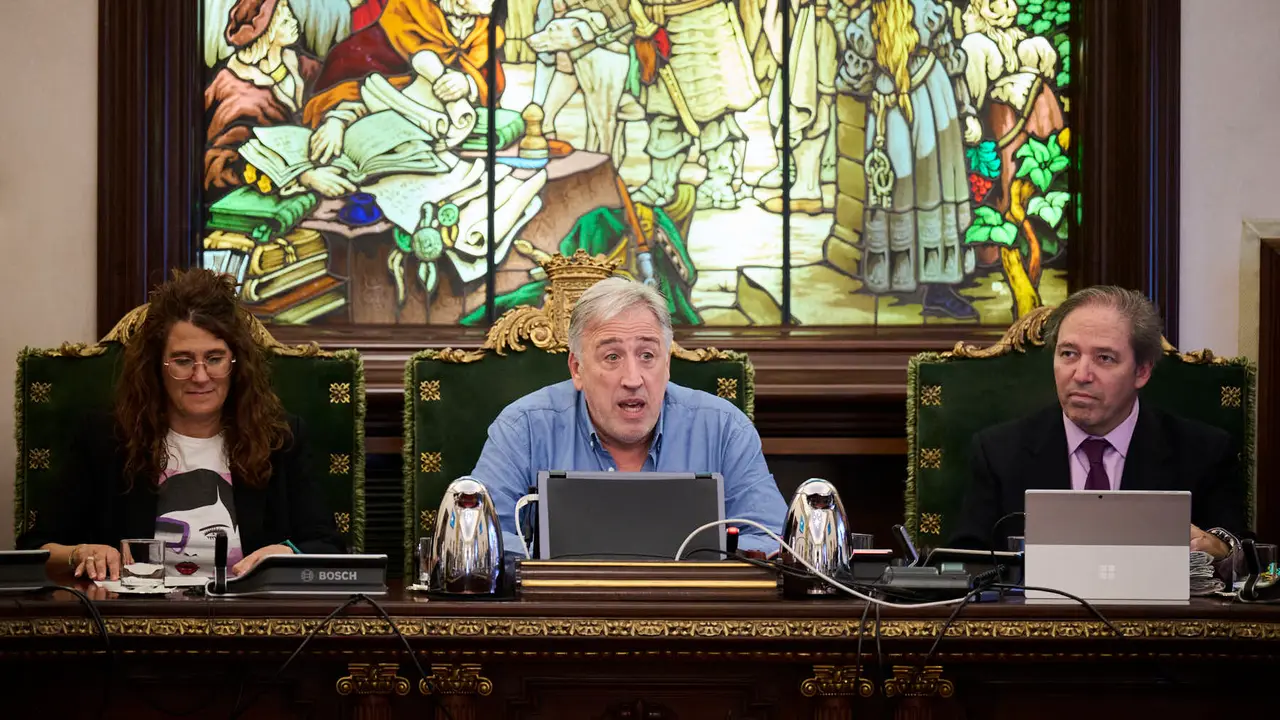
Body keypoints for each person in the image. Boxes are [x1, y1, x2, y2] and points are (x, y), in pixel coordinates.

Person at [17, 269, 344, 581]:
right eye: (183, 360)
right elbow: (36, 548)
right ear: (156, 366)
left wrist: (285, 553)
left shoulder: (281, 439)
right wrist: (80, 553)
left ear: (236, 363)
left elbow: (329, 547)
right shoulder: (105, 439)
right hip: (133, 616)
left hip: (247, 616)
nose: (200, 376)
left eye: (214, 359)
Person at [470, 277, 788, 555]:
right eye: (612, 356)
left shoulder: (723, 428)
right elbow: (478, 537)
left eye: (647, 355)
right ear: (577, 369)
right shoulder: (523, 428)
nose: (633, 379)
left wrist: (713, 557)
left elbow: (772, 539)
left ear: (667, 365)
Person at [950, 286, 1245, 559]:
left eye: (1104, 358)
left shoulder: (1204, 453)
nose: (1081, 375)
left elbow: (1248, 560)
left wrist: (1222, 551)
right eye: (1068, 354)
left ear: (1142, 372)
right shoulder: (999, 453)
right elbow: (965, 562)